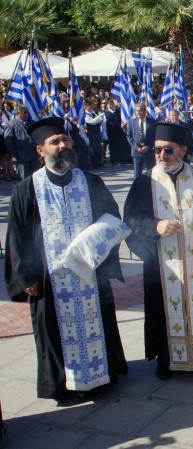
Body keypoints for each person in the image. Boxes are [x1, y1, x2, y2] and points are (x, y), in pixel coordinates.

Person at [4, 117, 128, 400]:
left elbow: (112, 221)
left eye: (65, 139)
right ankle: (62, 383)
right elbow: (17, 238)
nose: (63, 146)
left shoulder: (91, 182)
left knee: (99, 325)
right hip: (49, 280)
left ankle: (101, 376)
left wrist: (102, 258)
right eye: (54, 142)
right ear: (40, 151)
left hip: (90, 273)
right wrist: (26, 278)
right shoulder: (27, 189)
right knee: (54, 332)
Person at [124, 123, 193, 380]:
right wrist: (156, 226)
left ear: (183, 150)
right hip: (162, 265)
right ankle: (166, 360)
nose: (162, 155)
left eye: (168, 150)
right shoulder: (144, 183)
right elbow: (130, 221)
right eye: (157, 150)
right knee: (163, 311)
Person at [4, 105, 38, 179]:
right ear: (17, 113)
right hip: (21, 156)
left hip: (34, 155)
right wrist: (15, 155)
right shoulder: (11, 124)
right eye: (24, 112)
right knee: (24, 178)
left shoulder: (31, 122)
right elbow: (8, 142)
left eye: (27, 112)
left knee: (34, 178)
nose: (26, 114)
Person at [126, 103, 156, 180]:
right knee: (137, 174)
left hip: (149, 152)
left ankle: (152, 189)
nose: (138, 113)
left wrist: (148, 147)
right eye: (137, 111)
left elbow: (155, 137)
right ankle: (137, 190)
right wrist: (136, 147)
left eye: (140, 111)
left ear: (145, 111)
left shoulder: (152, 122)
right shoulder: (131, 122)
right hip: (137, 152)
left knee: (152, 173)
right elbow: (129, 136)